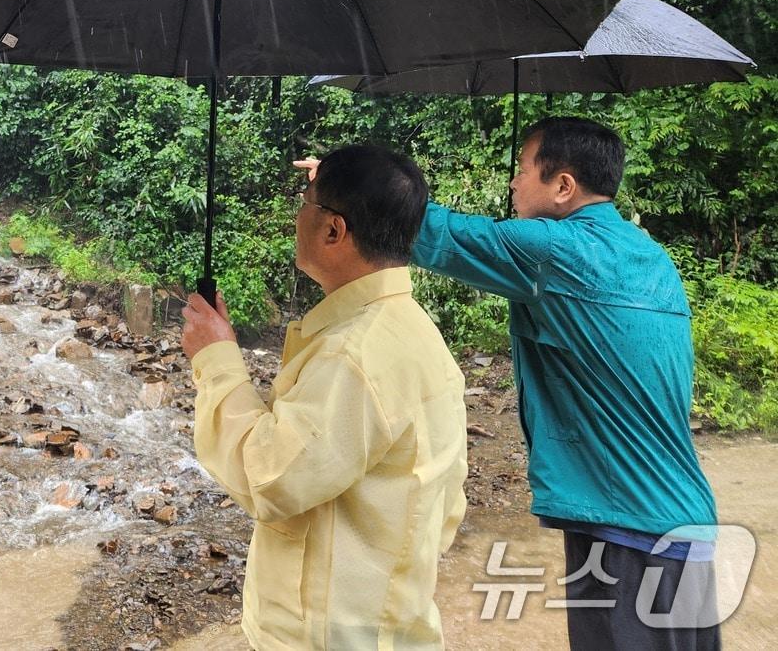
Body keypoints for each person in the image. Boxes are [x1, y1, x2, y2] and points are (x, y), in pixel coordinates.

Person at [406, 115, 721, 650]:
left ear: (563, 186)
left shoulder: (558, 252)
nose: (512, 182)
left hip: (628, 530)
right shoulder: (650, 256)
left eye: (523, 168)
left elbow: (434, 234)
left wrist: (348, 186)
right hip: (682, 524)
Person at [182, 144, 467, 651]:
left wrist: (218, 360)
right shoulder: (413, 333)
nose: (298, 216)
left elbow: (269, 477)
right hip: (389, 620)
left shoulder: (352, 356)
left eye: (305, 203)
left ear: (333, 230)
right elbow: (447, 503)